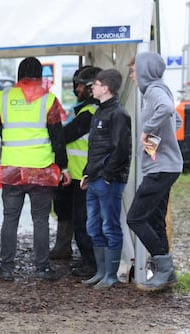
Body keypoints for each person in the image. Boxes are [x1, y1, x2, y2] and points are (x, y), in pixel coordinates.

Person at [0, 56, 69, 281]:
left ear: (19, 74)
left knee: (10, 218)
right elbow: (58, 137)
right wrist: (63, 167)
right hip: (41, 169)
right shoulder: (49, 100)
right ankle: (42, 268)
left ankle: (6, 268)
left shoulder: (3, 98)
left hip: (12, 170)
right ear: (40, 75)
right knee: (40, 219)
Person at [126, 51, 184, 291]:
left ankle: (164, 266)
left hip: (161, 169)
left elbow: (168, 108)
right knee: (155, 219)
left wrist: (147, 130)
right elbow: (177, 121)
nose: (132, 76)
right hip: (164, 166)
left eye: (134, 71)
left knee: (135, 218)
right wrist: (159, 138)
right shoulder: (158, 90)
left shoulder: (154, 91)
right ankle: (165, 274)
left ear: (144, 70)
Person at [81, 69, 132, 289]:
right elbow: (95, 148)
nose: (91, 87)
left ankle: (110, 275)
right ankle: (101, 272)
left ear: (106, 88)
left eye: (95, 83)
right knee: (93, 226)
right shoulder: (99, 112)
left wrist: (108, 175)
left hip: (108, 180)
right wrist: (87, 172)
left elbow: (121, 149)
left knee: (110, 226)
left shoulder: (119, 114)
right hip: (94, 179)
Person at [57, 66, 101, 277]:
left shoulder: (89, 114)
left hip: (84, 176)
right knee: (80, 219)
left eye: (81, 85)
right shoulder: (85, 111)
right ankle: (87, 261)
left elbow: (66, 135)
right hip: (78, 175)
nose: (77, 89)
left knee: (84, 222)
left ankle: (91, 264)